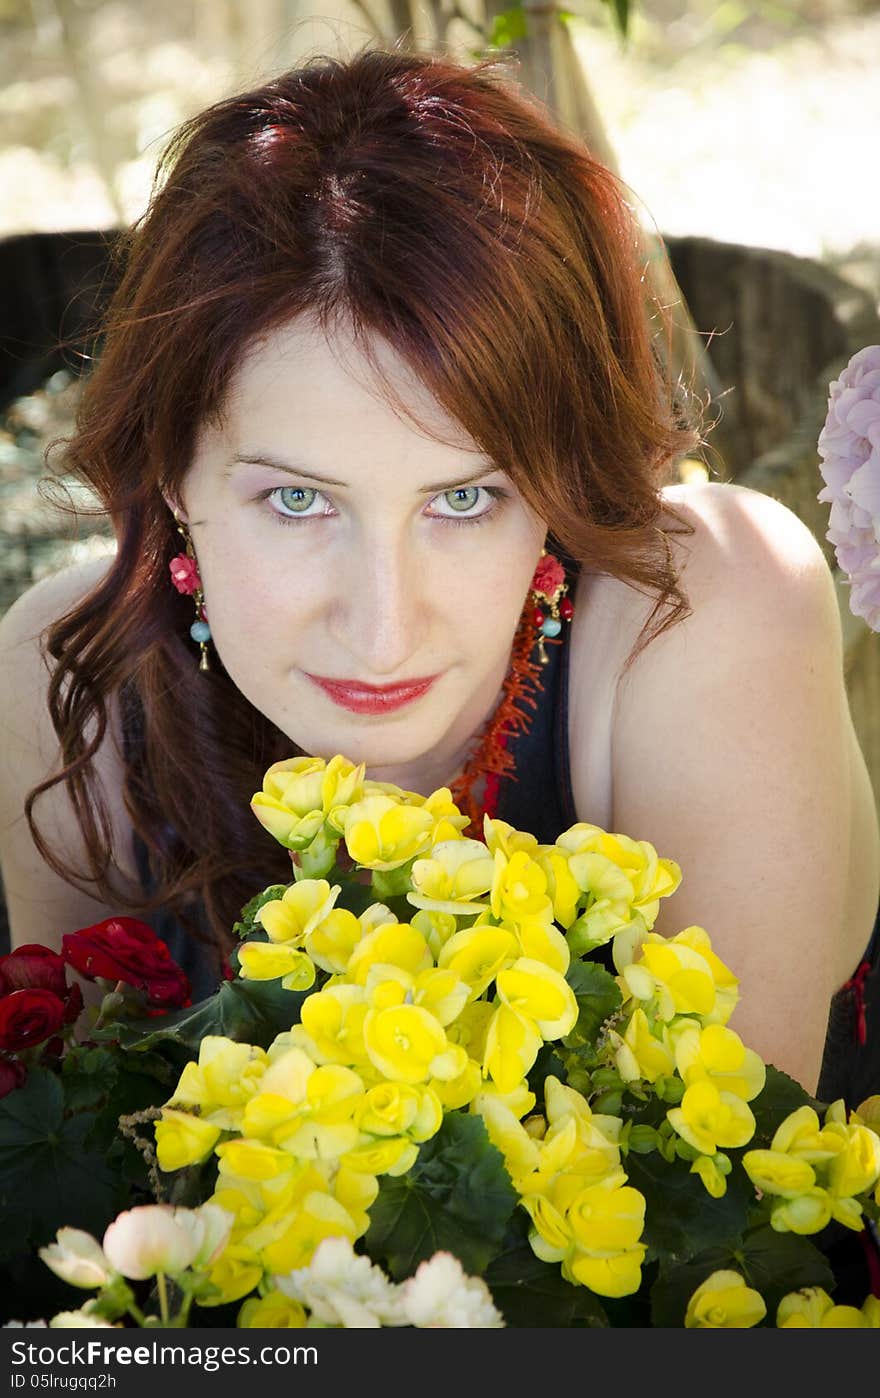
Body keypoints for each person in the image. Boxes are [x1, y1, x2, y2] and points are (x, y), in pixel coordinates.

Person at [0, 45, 877, 1121]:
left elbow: (716, 1225)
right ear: (173, 474)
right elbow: (69, 1180)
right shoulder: (70, 680)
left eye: (465, 500)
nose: (382, 630)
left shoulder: (705, 607)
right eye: (297, 502)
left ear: (553, 482)